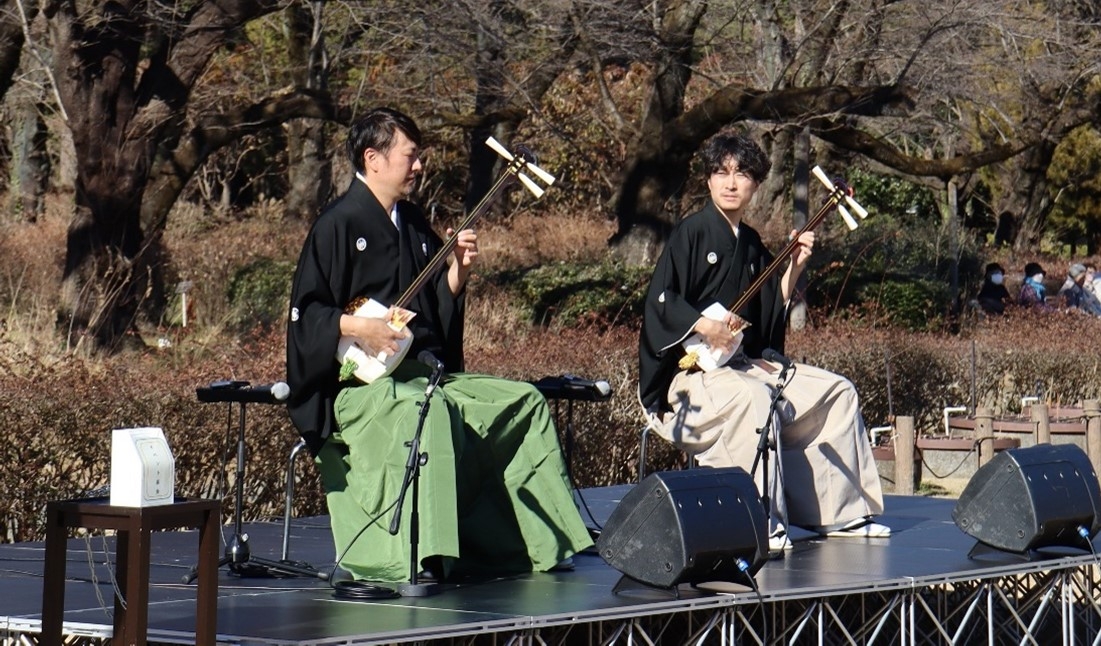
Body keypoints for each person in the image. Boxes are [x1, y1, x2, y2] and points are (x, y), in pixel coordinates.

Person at [286, 107, 591, 583]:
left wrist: (458, 271)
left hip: (423, 373)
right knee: (424, 414)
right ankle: (427, 555)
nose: (419, 166)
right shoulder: (337, 224)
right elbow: (308, 316)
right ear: (374, 159)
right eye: (410, 156)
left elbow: (431, 310)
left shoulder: (409, 220)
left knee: (523, 402)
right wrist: (358, 327)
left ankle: (538, 543)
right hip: (361, 388)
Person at [638, 131, 887, 555]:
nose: (730, 183)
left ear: (755, 184)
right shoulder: (691, 232)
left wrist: (794, 266)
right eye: (721, 173)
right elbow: (662, 300)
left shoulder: (751, 242)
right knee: (754, 397)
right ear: (708, 181)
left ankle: (841, 513)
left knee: (836, 391)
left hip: (739, 365)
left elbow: (767, 310)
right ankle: (757, 519)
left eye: (741, 174)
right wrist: (704, 324)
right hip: (689, 379)